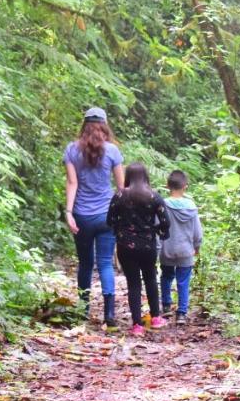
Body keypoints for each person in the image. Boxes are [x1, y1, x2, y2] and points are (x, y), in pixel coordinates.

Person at [64, 107, 124, 327]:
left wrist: (69, 213)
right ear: (104, 125)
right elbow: (120, 188)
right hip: (107, 215)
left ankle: (83, 310)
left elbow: (73, 183)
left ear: (84, 125)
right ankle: (109, 313)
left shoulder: (71, 150)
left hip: (81, 215)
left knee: (86, 263)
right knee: (106, 263)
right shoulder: (113, 152)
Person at [106, 162, 170, 335]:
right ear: (145, 176)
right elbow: (165, 221)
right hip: (148, 245)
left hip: (125, 246)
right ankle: (156, 317)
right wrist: (155, 230)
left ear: (128, 177)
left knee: (133, 283)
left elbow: (109, 220)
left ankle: (137, 325)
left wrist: (121, 229)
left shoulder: (119, 196)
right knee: (150, 279)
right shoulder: (154, 196)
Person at [159, 170, 203, 322]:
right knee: (183, 281)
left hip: (167, 249)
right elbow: (197, 232)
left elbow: (157, 226)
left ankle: (165, 305)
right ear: (186, 186)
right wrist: (197, 247)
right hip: (186, 250)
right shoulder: (191, 207)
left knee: (166, 276)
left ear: (167, 186)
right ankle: (182, 313)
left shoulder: (163, 205)